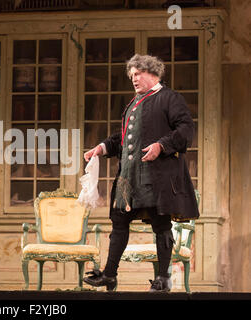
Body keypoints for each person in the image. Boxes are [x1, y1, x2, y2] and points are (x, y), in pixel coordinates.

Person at [83, 54, 199, 292]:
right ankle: (109, 275)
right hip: (129, 178)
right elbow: (124, 139)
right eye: (131, 75)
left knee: (161, 224)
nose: (134, 79)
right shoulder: (133, 103)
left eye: (138, 74)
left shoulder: (169, 98)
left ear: (153, 73)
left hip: (156, 178)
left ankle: (164, 279)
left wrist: (161, 146)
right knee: (119, 222)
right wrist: (102, 147)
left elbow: (187, 129)